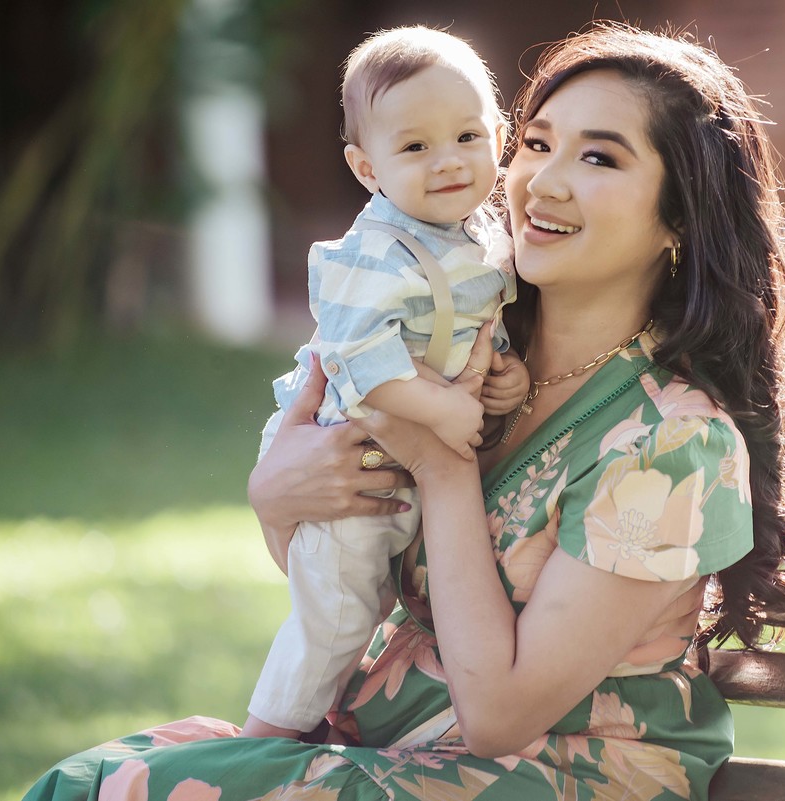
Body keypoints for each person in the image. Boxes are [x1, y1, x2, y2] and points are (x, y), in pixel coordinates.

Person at [23, 21, 785, 801]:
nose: (543, 181)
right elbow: (351, 573)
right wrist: (276, 492)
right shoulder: (462, 350)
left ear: (680, 217)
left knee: (135, 788)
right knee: (87, 781)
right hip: (393, 744)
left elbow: (499, 717)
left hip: (554, 773)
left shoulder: (672, 442)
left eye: (598, 157)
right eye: (536, 143)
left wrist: (442, 467)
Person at [242, 26, 530, 740]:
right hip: (346, 443)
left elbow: (481, 325)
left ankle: (316, 729)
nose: (448, 160)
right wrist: (439, 406)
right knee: (336, 616)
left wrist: (505, 372)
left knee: (363, 608)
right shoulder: (374, 253)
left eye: (467, 136)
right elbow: (357, 355)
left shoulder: (484, 237)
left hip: (396, 456)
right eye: (415, 147)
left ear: (499, 138)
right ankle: (261, 743)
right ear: (367, 168)